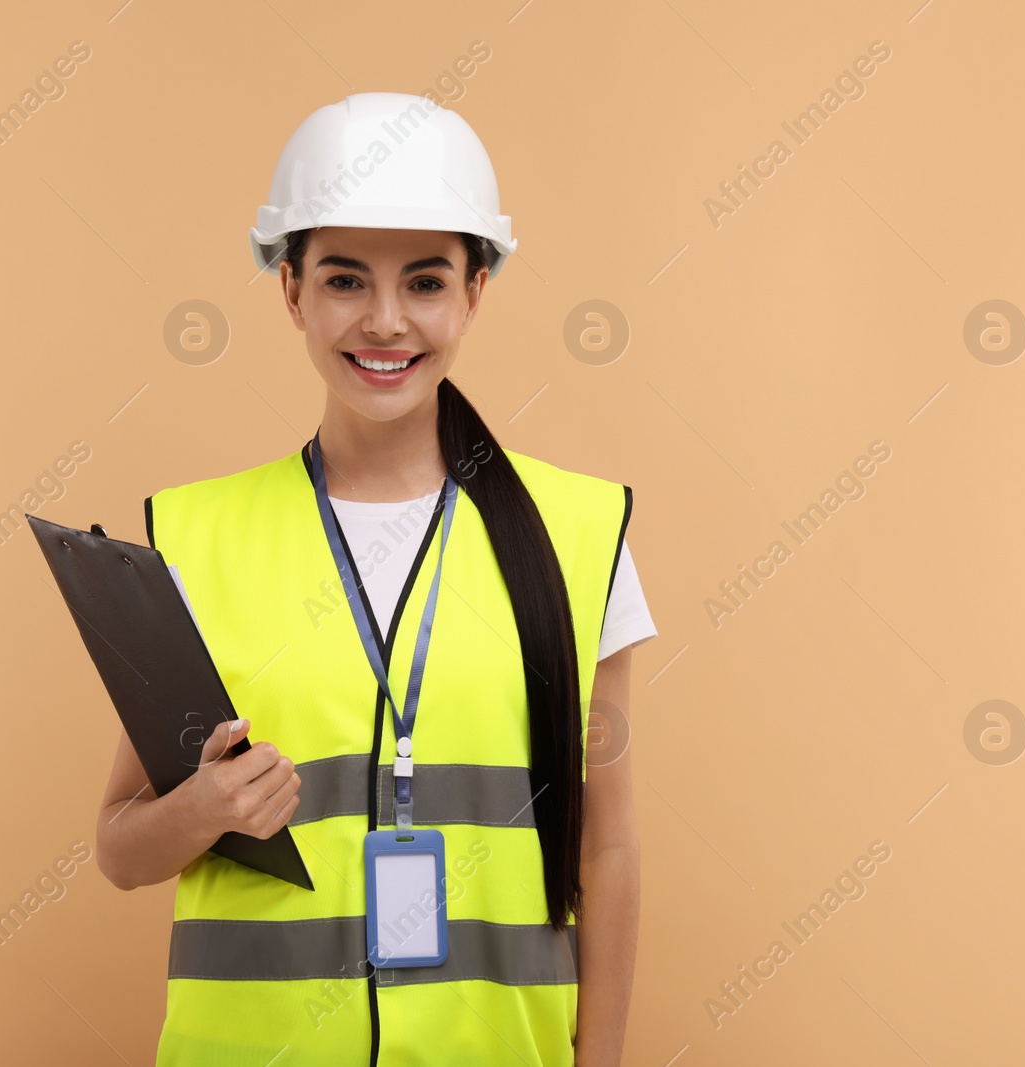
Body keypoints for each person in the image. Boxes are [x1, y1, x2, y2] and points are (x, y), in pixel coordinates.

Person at [96, 92, 656, 1066]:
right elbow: (118, 849)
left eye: (426, 282)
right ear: (291, 290)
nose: (386, 321)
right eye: (346, 279)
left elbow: (606, 847)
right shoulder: (199, 537)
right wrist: (205, 810)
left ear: (475, 289)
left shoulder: (574, 533)